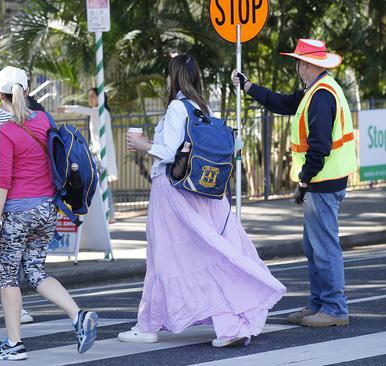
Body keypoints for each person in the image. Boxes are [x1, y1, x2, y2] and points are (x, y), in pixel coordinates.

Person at [122, 54, 286, 347]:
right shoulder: (200, 107)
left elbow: (171, 152)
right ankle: (229, 321)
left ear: (174, 77)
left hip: (171, 192)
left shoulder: (176, 107)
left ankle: (147, 325)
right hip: (201, 192)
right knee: (209, 255)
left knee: (162, 258)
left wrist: (144, 144)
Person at [232, 39, 357, 327]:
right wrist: (249, 86)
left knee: (324, 246)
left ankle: (335, 309)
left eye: (298, 61)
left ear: (308, 64)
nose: (296, 66)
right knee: (315, 247)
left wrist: (304, 181)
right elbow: (284, 103)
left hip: (323, 182)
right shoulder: (316, 91)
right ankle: (319, 304)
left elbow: (319, 146)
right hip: (323, 181)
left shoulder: (322, 95)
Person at [0, 66, 98, 361]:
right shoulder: (45, 120)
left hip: (17, 213)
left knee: (9, 278)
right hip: (47, 210)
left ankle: (13, 344)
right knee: (35, 271)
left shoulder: (5, 131)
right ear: (27, 90)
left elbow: (2, 181)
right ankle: (77, 315)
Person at [0, 72, 45, 324]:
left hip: (17, 192)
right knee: (14, 251)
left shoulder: (29, 117)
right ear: (26, 90)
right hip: (2, 191)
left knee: (15, 250)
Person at [57, 88, 118, 222]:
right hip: (97, 152)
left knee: (100, 182)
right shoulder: (97, 113)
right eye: (89, 96)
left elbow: (83, 110)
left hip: (100, 154)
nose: (90, 99)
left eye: (93, 96)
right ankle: (108, 212)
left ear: (100, 98)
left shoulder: (100, 112)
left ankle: (110, 213)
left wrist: (66, 108)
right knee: (99, 182)